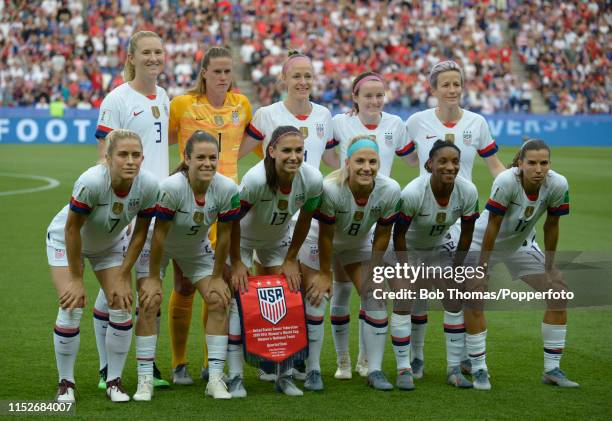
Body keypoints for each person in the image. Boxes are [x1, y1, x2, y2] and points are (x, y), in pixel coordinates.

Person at [238, 50, 339, 380]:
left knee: (294, 286)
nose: (302, 81)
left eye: (308, 75)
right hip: (265, 206)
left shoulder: (325, 115)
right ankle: (262, 355)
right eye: (296, 75)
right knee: (262, 285)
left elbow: (338, 161)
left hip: (302, 209)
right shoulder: (267, 114)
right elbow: (236, 153)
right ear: (283, 79)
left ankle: (292, 357)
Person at [403, 60, 506, 379]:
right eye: (445, 84)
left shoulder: (477, 122)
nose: (451, 89)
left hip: (461, 218)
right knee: (417, 293)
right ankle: (416, 358)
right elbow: (406, 157)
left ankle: (459, 361)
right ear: (432, 89)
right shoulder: (416, 122)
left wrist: (516, 183)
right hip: (424, 215)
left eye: (456, 84)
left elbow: (494, 166)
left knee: (459, 291)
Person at [168, 46, 263, 385]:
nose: (223, 77)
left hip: (226, 204)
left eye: (228, 71)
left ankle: (212, 361)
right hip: (188, 203)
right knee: (183, 284)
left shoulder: (242, 105)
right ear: (204, 72)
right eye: (217, 71)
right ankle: (180, 363)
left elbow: (257, 144)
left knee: (218, 283)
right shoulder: (182, 105)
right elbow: (161, 138)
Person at [47, 130, 158, 403]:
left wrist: (122, 276)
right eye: (123, 154)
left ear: (143, 158)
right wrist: (75, 278)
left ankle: (114, 381)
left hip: (109, 244)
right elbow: (73, 230)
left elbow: (140, 234)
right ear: (108, 158)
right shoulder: (91, 181)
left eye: (135, 155)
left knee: (120, 303)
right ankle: (66, 383)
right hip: (66, 240)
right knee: (71, 305)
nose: (130, 160)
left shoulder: (149, 185)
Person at [464, 139, 578, 390]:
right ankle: (478, 368)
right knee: (475, 296)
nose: (539, 169)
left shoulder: (557, 184)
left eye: (544, 163)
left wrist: (550, 267)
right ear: (520, 163)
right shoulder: (506, 181)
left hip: (521, 245)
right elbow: (493, 224)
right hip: (481, 244)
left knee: (558, 292)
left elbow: (552, 225)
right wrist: (481, 269)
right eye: (532, 163)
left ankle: (552, 369)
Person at [93, 30, 171, 390]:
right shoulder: (117, 99)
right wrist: (116, 206)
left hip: (159, 205)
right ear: (132, 57)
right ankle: (107, 367)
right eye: (147, 53)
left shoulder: (165, 96)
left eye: (159, 52)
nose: (154, 58)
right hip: (128, 208)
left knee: (149, 287)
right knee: (116, 288)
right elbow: (103, 157)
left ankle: (145, 362)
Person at [328, 71, 418, 379]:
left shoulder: (396, 125)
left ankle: (366, 360)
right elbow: (326, 153)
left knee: (373, 289)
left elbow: (412, 159)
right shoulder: (339, 122)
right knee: (340, 291)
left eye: (379, 95)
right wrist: (339, 174)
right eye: (367, 95)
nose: (374, 100)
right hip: (342, 209)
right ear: (355, 97)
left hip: (378, 213)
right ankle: (342, 362)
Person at [299, 136, 401, 391]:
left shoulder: (390, 190)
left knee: (375, 295)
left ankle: (375, 371)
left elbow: (382, 234)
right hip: (318, 239)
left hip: (357, 241)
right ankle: (312, 370)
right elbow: (325, 235)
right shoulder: (331, 188)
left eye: (372, 161)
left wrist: (375, 271)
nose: (367, 167)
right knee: (316, 297)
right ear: (347, 163)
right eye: (360, 161)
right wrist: (325, 273)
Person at [228, 126, 323, 397]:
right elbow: (232, 221)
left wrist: (292, 258)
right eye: (286, 150)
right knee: (239, 301)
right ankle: (234, 376)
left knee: (289, 298)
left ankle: (284, 374)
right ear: (271, 152)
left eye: (298, 151)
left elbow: (305, 218)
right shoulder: (255, 179)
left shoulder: (312, 180)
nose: (293, 156)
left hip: (277, 241)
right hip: (243, 241)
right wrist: (236, 260)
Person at [145, 131, 241, 399]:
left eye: (213, 157)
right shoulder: (171, 187)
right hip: (158, 247)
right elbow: (160, 236)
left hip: (195, 247)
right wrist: (153, 277)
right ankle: (145, 379)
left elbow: (224, 237)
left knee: (219, 299)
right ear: (186, 159)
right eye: (200, 157)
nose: (208, 163)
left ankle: (215, 379)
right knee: (149, 300)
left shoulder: (227, 188)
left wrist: (217, 276)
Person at [392, 140, 480, 390]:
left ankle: (453, 369)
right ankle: (405, 367)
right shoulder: (413, 192)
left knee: (453, 297)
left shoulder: (468, 191)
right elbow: (398, 235)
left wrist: (457, 267)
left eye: (454, 162)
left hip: (438, 246)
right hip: (405, 247)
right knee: (405, 296)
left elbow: (466, 233)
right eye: (443, 161)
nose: (450, 167)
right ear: (429, 164)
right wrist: (404, 269)